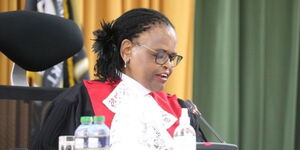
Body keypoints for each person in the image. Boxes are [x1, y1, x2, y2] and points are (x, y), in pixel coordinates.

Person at [31, 8, 206, 150]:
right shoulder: (80, 99)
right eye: (160, 55)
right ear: (127, 50)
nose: (168, 65)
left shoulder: (180, 109)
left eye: (172, 57)